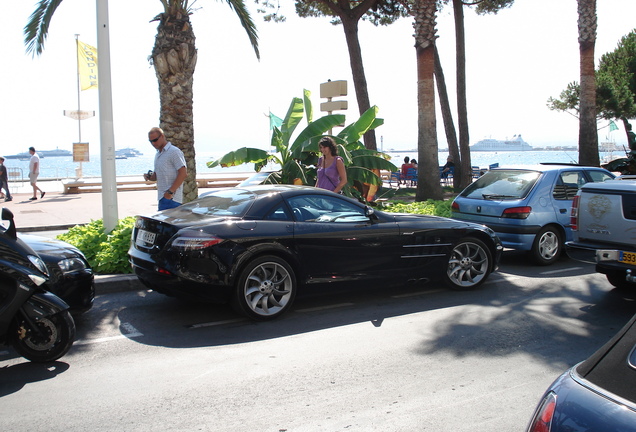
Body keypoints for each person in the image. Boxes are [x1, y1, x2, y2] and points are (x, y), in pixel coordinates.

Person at [145, 127, 187, 211]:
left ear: (162, 136)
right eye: (151, 141)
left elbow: (183, 173)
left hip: (172, 199)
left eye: (155, 140)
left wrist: (170, 192)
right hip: (162, 197)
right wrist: (150, 177)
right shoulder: (158, 154)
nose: (153, 143)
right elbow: (157, 175)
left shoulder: (174, 151)